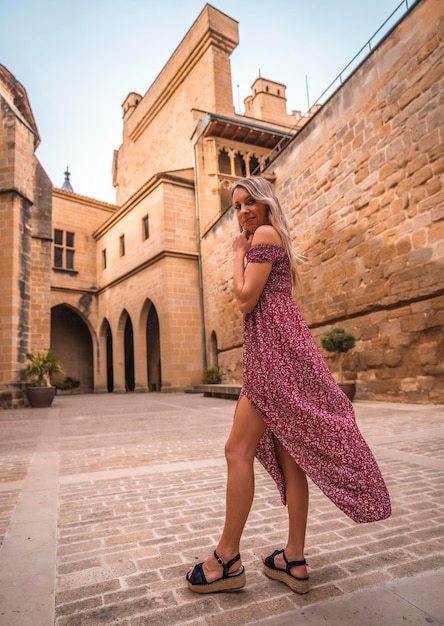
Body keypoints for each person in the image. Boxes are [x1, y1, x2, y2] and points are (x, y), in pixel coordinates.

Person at [186, 176, 391, 594]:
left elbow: (245, 299)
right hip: (282, 351)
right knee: (292, 456)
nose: (242, 211)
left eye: (248, 202)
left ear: (265, 202)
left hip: (274, 358)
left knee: (236, 450)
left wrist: (235, 254)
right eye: (235, 206)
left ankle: (227, 559)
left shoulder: (262, 235)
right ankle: (292, 559)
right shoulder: (271, 235)